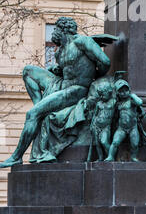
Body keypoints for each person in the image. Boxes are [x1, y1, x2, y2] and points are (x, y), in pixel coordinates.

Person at [0, 17, 112, 167]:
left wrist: (95, 77)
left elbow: (105, 62)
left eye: (55, 29)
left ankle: (16, 156)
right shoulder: (60, 51)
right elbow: (66, 69)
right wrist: (57, 70)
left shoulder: (82, 42)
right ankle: (40, 105)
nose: (53, 33)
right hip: (60, 84)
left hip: (76, 89)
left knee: (32, 114)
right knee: (28, 71)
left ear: (63, 30)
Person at [104, 80, 146, 162]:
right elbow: (115, 116)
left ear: (129, 90)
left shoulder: (132, 101)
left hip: (133, 127)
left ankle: (133, 157)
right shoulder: (118, 103)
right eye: (121, 91)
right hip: (121, 128)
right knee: (115, 142)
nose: (124, 93)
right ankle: (110, 156)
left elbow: (140, 102)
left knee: (134, 144)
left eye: (126, 90)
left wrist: (133, 95)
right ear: (118, 93)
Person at [86, 79, 117, 161]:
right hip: (96, 126)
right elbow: (95, 115)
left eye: (102, 95)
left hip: (105, 127)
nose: (101, 97)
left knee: (104, 141)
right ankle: (100, 158)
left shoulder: (113, 102)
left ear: (109, 92)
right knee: (97, 144)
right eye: (100, 95)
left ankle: (110, 156)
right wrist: (92, 124)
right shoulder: (99, 103)